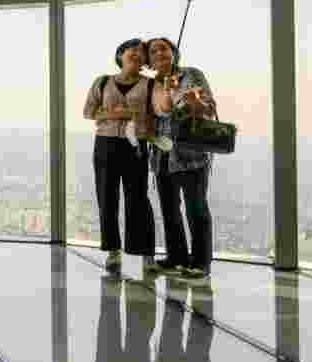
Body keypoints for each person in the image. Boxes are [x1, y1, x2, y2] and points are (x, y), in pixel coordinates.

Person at [82, 39, 157, 275]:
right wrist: (121, 114)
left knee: (138, 199)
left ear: (145, 61)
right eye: (130, 49)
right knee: (107, 197)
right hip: (105, 144)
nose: (135, 53)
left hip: (136, 144)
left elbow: (158, 113)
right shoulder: (102, 82)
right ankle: (113, 251)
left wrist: (115, 114)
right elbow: (88, 111)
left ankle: (146, 254)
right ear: (120, 55)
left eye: (140, 51)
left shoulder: (151, 84)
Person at [144, 37, 216, 280]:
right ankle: (177, 258)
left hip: (189, 154)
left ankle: (200, 264)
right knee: (169, 209)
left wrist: (186, 97)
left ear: (174, 52)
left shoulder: (191, 74)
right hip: (161, 154)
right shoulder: (152, 84)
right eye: (153, 52)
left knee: (196, 209)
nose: (159, 54)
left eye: (163, 48)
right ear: (150, 61)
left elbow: (207, 107)